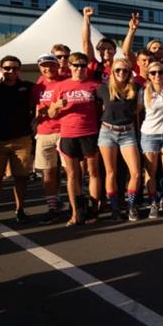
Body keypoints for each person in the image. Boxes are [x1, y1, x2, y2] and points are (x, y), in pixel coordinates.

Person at [49, 52, 103, 226]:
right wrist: (57, 105)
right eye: (76, 65)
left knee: (93, 173)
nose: (79, 68)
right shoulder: (61, 86)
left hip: (90, 133)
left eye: (82, 65)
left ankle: (94, 210)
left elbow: (102, 109)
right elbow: (50, 113)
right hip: (68, 135)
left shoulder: (94, 85)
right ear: (69, 66)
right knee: (72, 175)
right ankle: (75, 212)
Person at [0, 56, 34, 227]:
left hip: (22, 139)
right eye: (7, 68)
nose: (11, 71)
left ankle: (20, 210)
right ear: (1, 68)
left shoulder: (27, 87)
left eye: (15, 68)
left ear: (19, 70)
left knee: (21, 177)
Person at [97, 58, 142, 221]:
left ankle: (130, 206)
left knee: (135, 173)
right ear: (112, 72)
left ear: (130, 72)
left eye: (125, 70)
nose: (121, 73)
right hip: (107, 132)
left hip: (127, 132)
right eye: (117, 70)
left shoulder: (136, 88)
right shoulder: (103, 88)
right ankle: (115, 209)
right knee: (111, 172)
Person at [31, 54, 66, 224]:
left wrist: (49, 110)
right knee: (48, 172)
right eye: (44, 66)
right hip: (44, 132)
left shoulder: (65, 81)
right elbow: (38, 109)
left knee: (71, 170)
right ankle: (53, 207)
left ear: (57, 66)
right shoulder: (38, 86)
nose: (48, 69)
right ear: (40, 68)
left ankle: (77, 204)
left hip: (64, 131)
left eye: (51, 65)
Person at [140, 61, 163, 218]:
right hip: (149, 135)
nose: (157, 75)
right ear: (148, 75)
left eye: (160, 72)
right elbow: (136, 112)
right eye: (153, 73)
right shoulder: (144, 92)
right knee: (151, 172)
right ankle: (154, 202)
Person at [81, 7, 116, 82]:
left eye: (109, 48)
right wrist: (86, 18)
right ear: (98, 52)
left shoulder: (120, 69)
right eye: (103, 49)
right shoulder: (94, 65)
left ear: (115, 51)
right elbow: (86, 41)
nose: (106, 51)